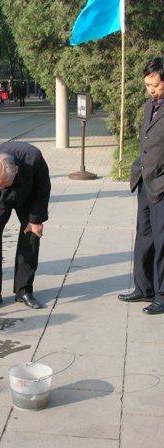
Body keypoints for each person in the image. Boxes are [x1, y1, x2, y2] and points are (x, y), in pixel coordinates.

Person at [0, 141, 51, 310]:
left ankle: (24, 290)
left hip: (28, 195)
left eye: (3, 183)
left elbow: (43, 189)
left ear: (15, 170)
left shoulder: (34, 158)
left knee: (31, 236)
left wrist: (36, 220)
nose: (0, 187)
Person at [118, 57, 164, 315]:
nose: (151, 89)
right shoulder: (150, 105)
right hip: (146, 181)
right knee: (144, 236)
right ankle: (143, 287)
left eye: (155, 85)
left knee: (162, 240)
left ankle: (161, 294)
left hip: (162, 183)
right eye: (147, 85)